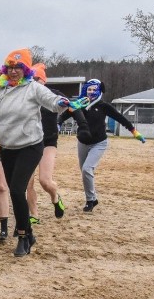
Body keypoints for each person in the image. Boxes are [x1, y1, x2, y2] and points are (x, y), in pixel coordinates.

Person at [0, 49, 70, 257]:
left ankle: (22, 236)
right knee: (15, 190)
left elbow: (50, 100)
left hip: (30, 145)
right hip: (7, 146)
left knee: (16, 189)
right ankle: (29, 233)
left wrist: (61, 103)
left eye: (18, 68)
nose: (13, 72)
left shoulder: (33, 88)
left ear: (26, 70)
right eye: (10, 67)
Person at [58, 78, 145, 212]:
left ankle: (90, 201)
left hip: (99, 143)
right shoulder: (78, 104)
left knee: (87, 169)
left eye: (94, 90)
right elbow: (63, 116)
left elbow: (120, 118)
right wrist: (57, 124)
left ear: (99, 91)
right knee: (85, 172)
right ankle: (93, 198)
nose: (91, 92)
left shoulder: (104, 106)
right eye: (89, 89)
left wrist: (134, 131)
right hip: (82, 142)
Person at [24, 63, 67, 223]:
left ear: (43, 80)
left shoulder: (53, 94)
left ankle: (55, 198)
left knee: (45, 181)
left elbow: (72, 109)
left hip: (48, 141)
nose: (34, 81)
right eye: (31, 78)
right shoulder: (25, 95)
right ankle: (34, 215)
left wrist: (82, 124)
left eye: (37, 79)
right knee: (28, 183)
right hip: (29, 141)